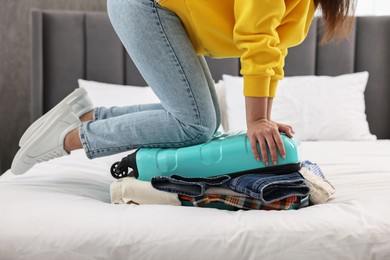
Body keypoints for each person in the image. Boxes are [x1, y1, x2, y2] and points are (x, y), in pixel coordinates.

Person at [11, 0, 355, 175]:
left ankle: (86, 115)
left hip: (162, 12)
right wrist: (256, 122)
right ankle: (68, 138)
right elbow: (257, 39)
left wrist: (262, 119)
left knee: (199, 122)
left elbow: (273, 51)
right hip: (149, 5)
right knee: (197, 125)